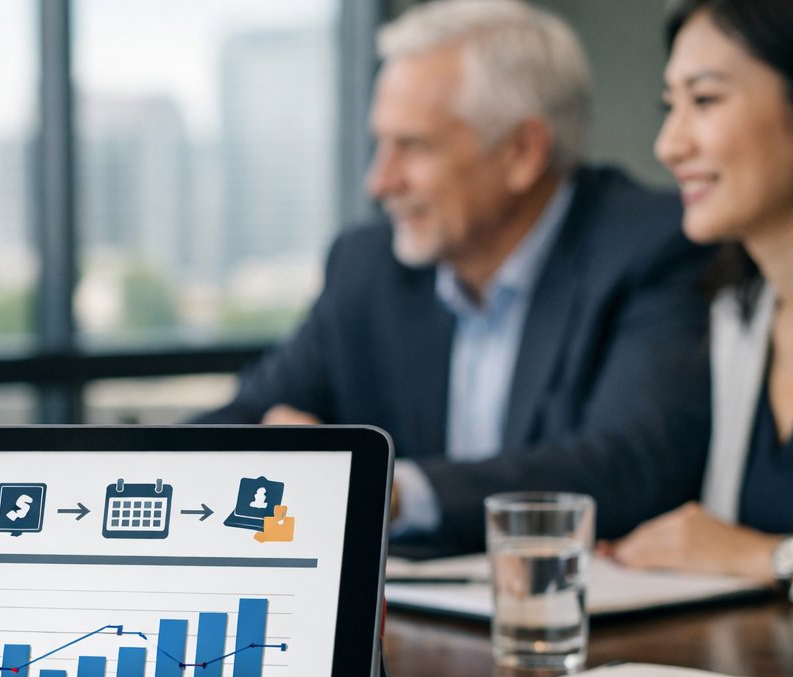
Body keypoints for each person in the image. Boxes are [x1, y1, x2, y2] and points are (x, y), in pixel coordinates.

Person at [198, 0, 712, 553]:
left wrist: (384, 489)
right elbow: (247, 418)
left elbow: (628, 464)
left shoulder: (652, 245)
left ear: (522, 151)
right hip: (416, 626)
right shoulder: (367, 268)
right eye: (379, 145)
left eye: (412, 147)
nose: (380, 181)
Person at [609, 0, 793, 583]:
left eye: (705, 100)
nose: (669, 145)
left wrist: (763, 557)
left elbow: (742, 554)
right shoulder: (742, 314)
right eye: (671, 106)